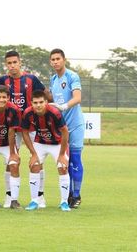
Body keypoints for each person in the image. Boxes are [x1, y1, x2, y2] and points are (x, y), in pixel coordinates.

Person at [0, 50, 48, 208]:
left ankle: (40, 196)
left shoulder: (31, 79)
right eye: (9, 63)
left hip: (32, 127)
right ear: (6, 65)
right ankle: (9, 197)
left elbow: (45, 96)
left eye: (14, 62)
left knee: (37, 160)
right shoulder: (2, 80)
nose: (12, 66)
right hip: (12, 128)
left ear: (20, 62)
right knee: (10, 161)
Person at [21, 90, 71, 212]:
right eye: (35, 102)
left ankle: (64, 202)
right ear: (31, 103)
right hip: (40, 143)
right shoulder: (28, 113)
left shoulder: (54, 113)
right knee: (34, 166)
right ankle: (34, 200)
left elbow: (65, 132)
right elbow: (25, 132)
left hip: (58, 143)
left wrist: (61, 155)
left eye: (41, 102)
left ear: (46, 102)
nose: (38, 105)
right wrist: (33, 154)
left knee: (62, 167)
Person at [48, 48, 85, 208]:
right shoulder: (53, 79)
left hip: (75, 124)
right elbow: (52, 97)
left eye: (58, 59)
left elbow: (77, 98)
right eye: (53, 59)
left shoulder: (72, 76)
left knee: (75, 159)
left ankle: (76, 196)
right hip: (61, 127)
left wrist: (64, 106)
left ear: (64, 59)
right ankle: (68, 194)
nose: (55, 61)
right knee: (64, 161)